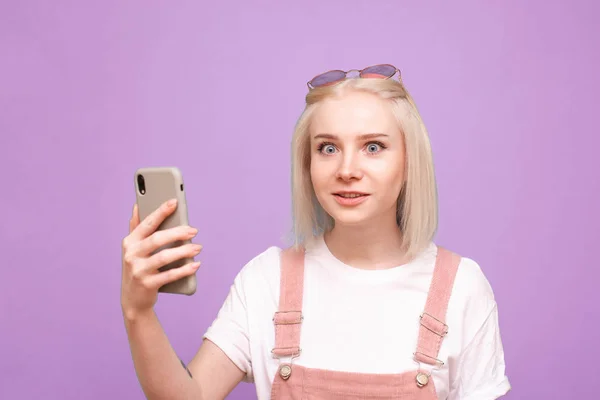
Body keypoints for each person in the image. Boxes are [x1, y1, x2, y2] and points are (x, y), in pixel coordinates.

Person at [121, 64, 511, 399]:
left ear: (410, 162)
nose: (347, 169)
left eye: (373, 147)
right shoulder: (266, 281)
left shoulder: (461, 288)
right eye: (328, 148)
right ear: (306, 164)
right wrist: (138, 311)